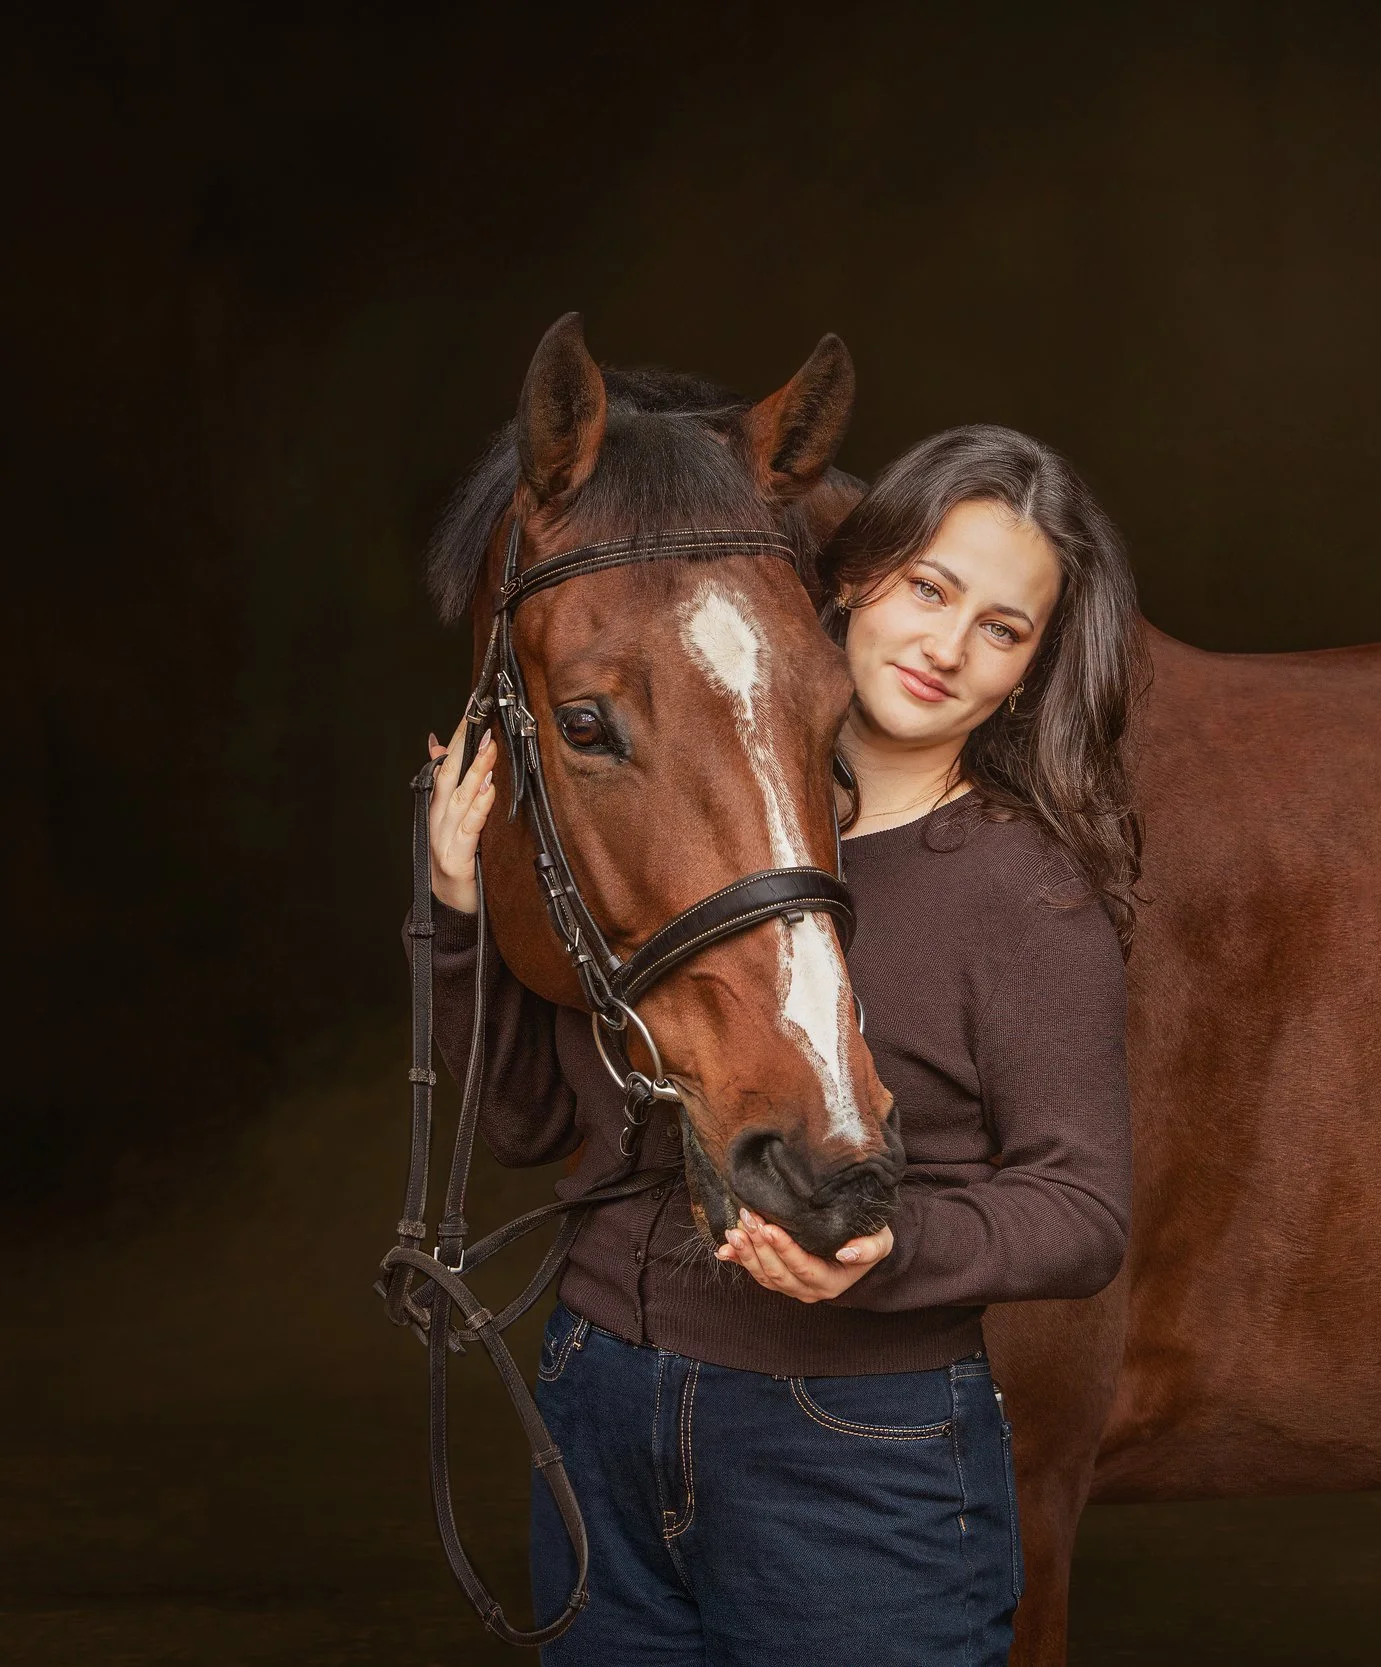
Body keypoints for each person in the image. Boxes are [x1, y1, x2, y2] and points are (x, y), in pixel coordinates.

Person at [418, 423, 1141, 1666]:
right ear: (849, 580)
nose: (946, 646)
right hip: (600, 1403)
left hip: (850, 1442)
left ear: (1029, 671)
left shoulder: (1022, 894)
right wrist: (456, 913)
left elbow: (1082, 1211)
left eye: (1002, 627)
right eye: (929, 588)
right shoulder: (689, 814)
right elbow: (529, 1124)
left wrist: (892, 1250)